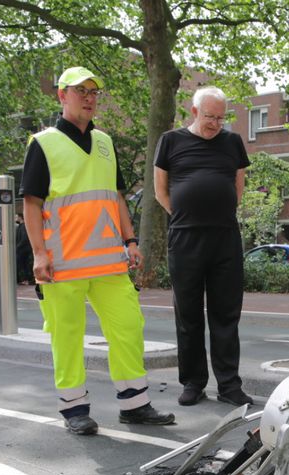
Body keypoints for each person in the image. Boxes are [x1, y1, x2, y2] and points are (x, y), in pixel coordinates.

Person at [21, 66, 173, 435]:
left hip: (108, 261)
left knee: (128, 327)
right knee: (67, 335)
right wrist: (39, 254)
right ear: (62, 95)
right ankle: (74, 409)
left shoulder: (105, 142)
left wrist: (131, 240)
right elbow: (30, 203)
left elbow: (116, 197)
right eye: (81, 91)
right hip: (62, 263)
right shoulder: (43, 143)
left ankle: (134, 403)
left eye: (94, 92)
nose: (89, 98)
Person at [153, 87, 253, 408]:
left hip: (224, 237)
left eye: (221, 118)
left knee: (226, 314)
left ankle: (229, 384)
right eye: (210, 117)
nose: (216, 124)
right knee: (189, 314)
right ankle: (193, 382)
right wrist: (186, 216)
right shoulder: (170, 141)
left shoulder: (232, 143)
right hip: (185, 238)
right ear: (195, 112)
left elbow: (238, 187)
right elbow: (160, 192)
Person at [14, 212, 33, 284]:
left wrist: (18, 246)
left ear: (20, 217)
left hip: (23, 249)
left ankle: (26, 280)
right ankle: (25, 279)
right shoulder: (21, 226)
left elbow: (24, 238)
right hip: (22, 249)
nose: (15, 218)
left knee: (23, 265)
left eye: (16, 217)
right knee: (24, 265)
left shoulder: (23, 226)